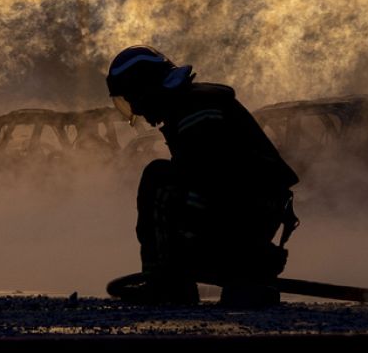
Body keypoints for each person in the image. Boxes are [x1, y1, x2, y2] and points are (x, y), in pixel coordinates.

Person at [106, 45, 299, 307]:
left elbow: (212, 183)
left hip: (247, 213)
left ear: (147, 88)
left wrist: (185, 247)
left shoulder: (196, 110)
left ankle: (168, 285)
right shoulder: (189, 106)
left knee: (157, 178)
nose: (136, 110)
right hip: (251, 215)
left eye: (133, 99)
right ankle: (224, 272)